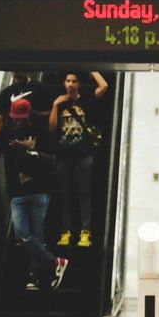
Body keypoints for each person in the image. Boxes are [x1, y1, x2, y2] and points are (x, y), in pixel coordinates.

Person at [0, 98, 67, 292]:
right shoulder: (6, 133)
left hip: (40, 189)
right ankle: (55, 262)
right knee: (22, 233)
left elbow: (53, 160)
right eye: (15, 118)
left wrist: (32, 150)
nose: (18, 122)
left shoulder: (40, 132)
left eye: (21, 118)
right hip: (17, 192)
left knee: (37, 235)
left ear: (28, 115)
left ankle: (33, 277)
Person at [49, 71, 108, 247]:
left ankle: (85, 231)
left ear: (79, 84)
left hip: (83, 153)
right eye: (67, 81)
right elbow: (52, 128)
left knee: (84, 192)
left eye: (74, 81)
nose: (70, 84)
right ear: (64, 83)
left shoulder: (87, 98)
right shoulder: (59, 101)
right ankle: (66, 231)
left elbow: (104, 86)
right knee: (65, 194)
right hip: (63, 155)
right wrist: (54, 105)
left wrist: (93, 70)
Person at [0, 71, 55, 155]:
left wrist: (33, 113)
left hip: (34, 135)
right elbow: (0, 119)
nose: (16, 77)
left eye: (19, 74)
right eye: (14, 74)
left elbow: (52, 112)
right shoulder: (6, 92)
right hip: (11, 135)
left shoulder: (40, 88)